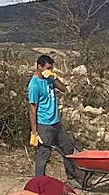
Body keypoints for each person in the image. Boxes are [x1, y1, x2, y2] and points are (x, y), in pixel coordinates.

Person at [28, 54, 80, 182]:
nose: (50, 70)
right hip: (44, 125)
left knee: (67, 147)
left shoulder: (49, 78)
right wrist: (34, 132)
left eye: (52, 68)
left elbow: (64, 89)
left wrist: (54, 78)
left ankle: (71, 178)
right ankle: (39, 183)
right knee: (44, 154)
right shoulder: (34, 85)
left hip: (56, 123)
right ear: (39, 67)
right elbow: (32, 109)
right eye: (48, 68)